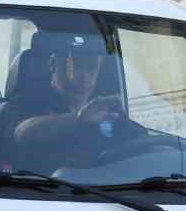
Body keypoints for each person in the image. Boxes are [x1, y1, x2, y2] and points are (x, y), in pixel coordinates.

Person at [7, 30, 131, 173]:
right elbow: (22, 133)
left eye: (91, 68)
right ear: (53, 65)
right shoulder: (26, 101)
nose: (84, 78)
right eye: (74, 67)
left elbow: (140, 143)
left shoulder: (103, 111)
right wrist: (78, 118)